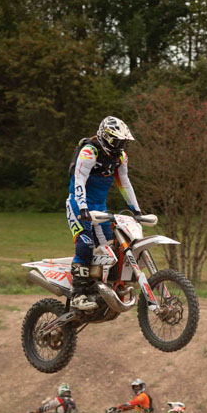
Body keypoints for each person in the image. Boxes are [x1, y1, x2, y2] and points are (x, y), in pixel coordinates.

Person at [66, 116, 141, 311]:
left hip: (100, 207)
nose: (121, 146)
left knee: (111, 248)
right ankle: (78, 294)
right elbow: (79, 179)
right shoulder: (89, 152)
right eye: (118, 141)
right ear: (106, 137)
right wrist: (83, 208)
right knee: (85, 244)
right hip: (78, 204)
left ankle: (104, 287)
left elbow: (124, 183)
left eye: (124, 142)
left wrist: (137, 210)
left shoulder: (120, 157)